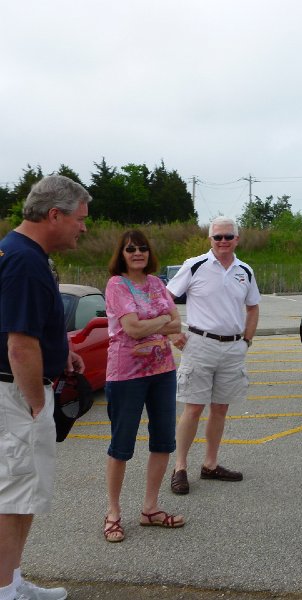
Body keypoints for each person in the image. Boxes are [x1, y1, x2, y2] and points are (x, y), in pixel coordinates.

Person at [0, 175, 90, 600]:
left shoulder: (22, 253)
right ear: (54, 214)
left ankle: (13, 582)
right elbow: (19, 344)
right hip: (16, 396)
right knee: (11, 496)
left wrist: (63, 350)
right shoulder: (24, 261)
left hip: (19, 393)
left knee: (23, 494)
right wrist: (37, 404)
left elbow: (31, 326)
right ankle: (4, 590)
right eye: (79, 218)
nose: (83, 227)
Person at [167, 217, 260, 495]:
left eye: (228, 237)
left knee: (220, 408)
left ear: (237, 239)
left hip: (233, 348)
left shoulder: (245, 271)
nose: (223, 241)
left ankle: (210, 464)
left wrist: (246, 341)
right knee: (193, 408)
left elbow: (253, 308)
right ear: (210, 239)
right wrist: (172, 333)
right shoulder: (195, 265)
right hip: (200, 344)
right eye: (217, 237)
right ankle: (180, 467)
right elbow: (164, 298)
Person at [103, 230, 184, 543]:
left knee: (163, 441)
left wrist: (156, 325)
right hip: (126, 375)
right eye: (130, 248)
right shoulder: (116, 285)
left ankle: (150, 509)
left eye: (142, 248)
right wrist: (161, 322)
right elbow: (132, 329)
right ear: (121, 254)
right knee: (121, 446)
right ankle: (112, 512)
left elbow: (177, 322)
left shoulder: (156, 283)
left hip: (163, 371)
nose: (137, 253)